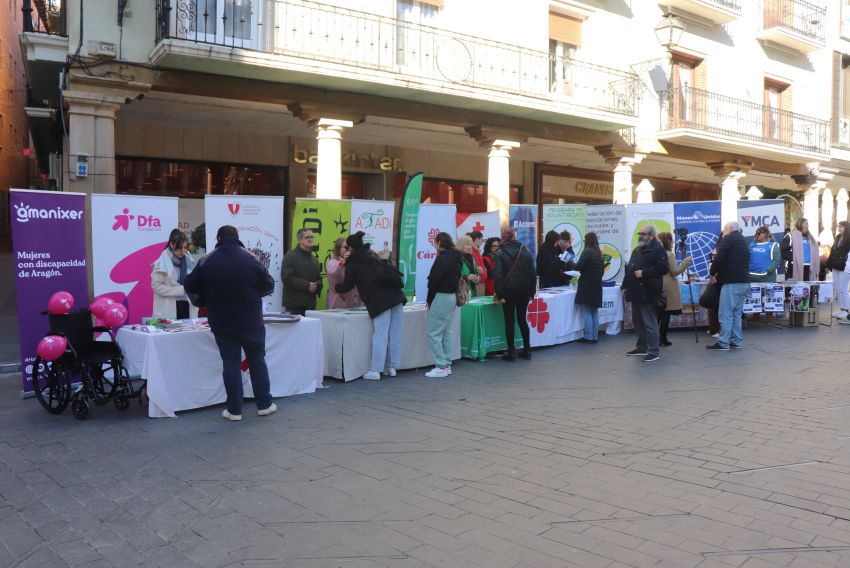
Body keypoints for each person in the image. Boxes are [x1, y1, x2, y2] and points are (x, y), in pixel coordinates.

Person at [183, 225, 277, 421]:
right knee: (257, 360)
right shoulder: (250, 257)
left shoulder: (206, 260)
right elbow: (268, 283)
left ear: (218, 238)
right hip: (251, 320)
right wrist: (252, 295)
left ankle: (234, 410)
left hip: (222, 321)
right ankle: (265, 405)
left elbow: (189, 285)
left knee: (231, 363)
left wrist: (203, 302)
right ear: (237, 238)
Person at [334, 232, 405, 380]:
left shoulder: (353, 264)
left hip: (380, 301)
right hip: (396, 297)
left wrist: (336, 288)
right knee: (394, 333)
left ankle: (375, 370)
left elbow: (347, 285)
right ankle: (391, 367)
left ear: (351, 248)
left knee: (380, 334)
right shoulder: (372, 257)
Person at [622, 225, 668, 362]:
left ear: (652, 235)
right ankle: (642, 347)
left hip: (648, 291)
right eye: (639, 233)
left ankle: (654, 352)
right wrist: (625, 286)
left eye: (644, 234)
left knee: (650, 323)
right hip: (636, 291)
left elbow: (664, 268)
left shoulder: (658, 250)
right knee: (638, 322)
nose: (640, 236)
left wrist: (644, 273)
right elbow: (630, 269)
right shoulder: (637, 250)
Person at [493, 227, 536, 362]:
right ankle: (527, 350)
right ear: (514, 237)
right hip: (523, 291)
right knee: (522, 320)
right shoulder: (525, 251)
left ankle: (511, 352)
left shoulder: (499, 253)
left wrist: (500, 295)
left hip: (508, 292)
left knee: (509, 322)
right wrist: (531, 292)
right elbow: (532, 274)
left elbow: (498, 276)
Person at [707, 222, 750, 352]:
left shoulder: (728, 238)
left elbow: (719, 257)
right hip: (744, 282)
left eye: (724, 229)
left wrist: (712, 272)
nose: (722, 232)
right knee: (736, 314)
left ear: (730, 229)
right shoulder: (743, 240)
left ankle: (723, 342)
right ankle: (736, 341)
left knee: (725, 313)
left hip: (732, 282)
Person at [425, 232, 462, 378]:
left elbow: (434, 280)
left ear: (439, 242)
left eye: (435, 242)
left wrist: (429, 299)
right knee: (447, 331)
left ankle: (441, 366)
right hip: (451, 296)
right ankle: (446, 364)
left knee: (433, 333)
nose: (434, 245)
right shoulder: (456, 257)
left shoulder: (443, 258)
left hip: (441, 296)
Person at [564, 232, 605, 344]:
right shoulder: (599, 253)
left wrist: (569, 262)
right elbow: (601, 272)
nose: (583, 242)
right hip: (597, 285)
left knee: (586, 311)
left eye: (584, 240)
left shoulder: (587, 251)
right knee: (594, 312)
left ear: (588, 240)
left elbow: (578, 266)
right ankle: (595, 337)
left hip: (586, 285)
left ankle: (588, 337)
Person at [655, 232, 692, 347]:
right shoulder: (669, 254)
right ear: (667, 241)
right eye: (671, 240)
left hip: (658, 285)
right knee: (665, 315)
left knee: (658, 315)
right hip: (668, 287)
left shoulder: (654, 253)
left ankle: (654, 339)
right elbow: (674, 272)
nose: (673, 242)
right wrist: (685, 263)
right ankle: (662, 339)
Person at [152, 229, 198, 320]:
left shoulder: (190, 261)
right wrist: (181, 290)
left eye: (185, 247)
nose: (182, 251)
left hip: (187, 305)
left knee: (188, 333)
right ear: (171, 245)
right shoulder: (161, 262)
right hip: (168, 307)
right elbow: (156, 286)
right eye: (179, 247)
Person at [282, 228, 323, 315]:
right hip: (294, 306)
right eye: (307, 237)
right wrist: (307, 286)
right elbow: (286, 278)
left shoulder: (314, 259)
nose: (310, 239)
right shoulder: (290, 256)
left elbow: (318, 278)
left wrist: (317, 285)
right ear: (299, 240)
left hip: (310, 306)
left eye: (312, 237)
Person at [326, 237, 362, 309]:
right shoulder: (333, 261)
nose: (349, 250)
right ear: (338, 248)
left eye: (351, 248)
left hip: (354, 302)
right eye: (346, 247)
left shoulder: (355, 262)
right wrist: (344, 261)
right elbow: (332, 271)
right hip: (338, 302)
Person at [827, 220, 850, 319]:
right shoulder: (837, 237)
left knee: (843, 289)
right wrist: (829, 263)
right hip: (836, 265)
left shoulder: (849, 238)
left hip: (845, 266)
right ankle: (842, 309)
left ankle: (846, 311)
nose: (839, 228)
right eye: (838, 226)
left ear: (846, 227)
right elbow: (833, 250)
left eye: (841, 226)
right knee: (836, 287)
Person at [468, 231, 488, 296]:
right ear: (477, 239)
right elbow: (477, 268)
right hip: (477, 282)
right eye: (482, 240)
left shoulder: (476, 250)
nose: (482, 243)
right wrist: (483, 273)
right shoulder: (472, 250)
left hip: (479, 281)